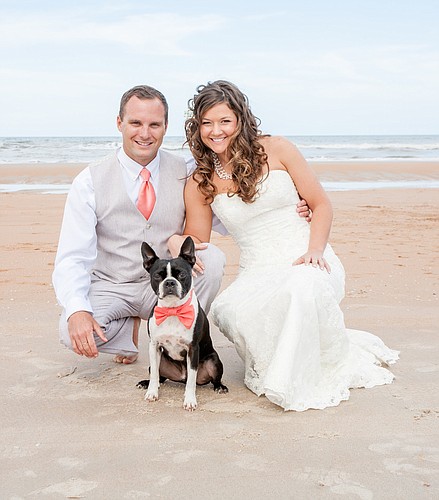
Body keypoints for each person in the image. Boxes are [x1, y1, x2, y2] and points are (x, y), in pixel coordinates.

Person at [172, 80, 399, 411]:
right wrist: (176, 239)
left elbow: (320, 204)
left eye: (225, 121)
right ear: (197, 126)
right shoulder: (200, 180)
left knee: (301, 286)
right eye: (206, 122)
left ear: (241, 119)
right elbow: (197, 240)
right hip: (258, 269)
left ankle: (290, 381)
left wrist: (315, 250)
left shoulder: (278, 149)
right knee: (231, 310)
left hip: (306, 254)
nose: (215, 130)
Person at [52, 84, 312, 365]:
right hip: (113, 285)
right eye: (136, 123)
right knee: (73, 333)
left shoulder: (187, 171)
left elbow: (230, 211)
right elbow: (72, 256)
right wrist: (77, 310)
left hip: (170, 282)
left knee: (210, 258)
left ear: (165, 127)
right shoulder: (90, 180)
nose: (144, 133)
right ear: (119, 123)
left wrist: (291, 204)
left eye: (154, 124)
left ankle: (179, 335)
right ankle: (128, 333)